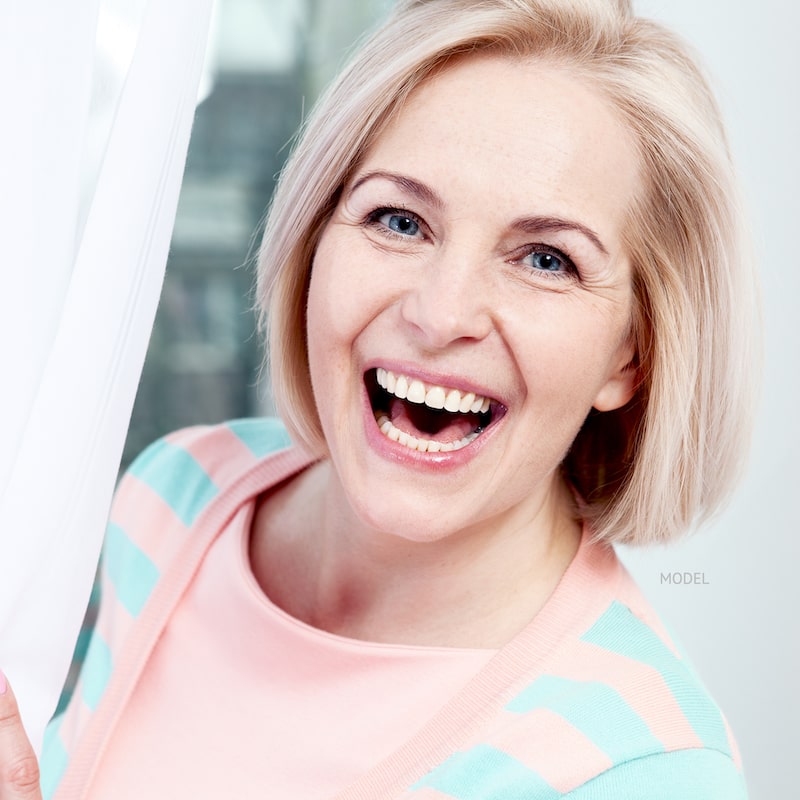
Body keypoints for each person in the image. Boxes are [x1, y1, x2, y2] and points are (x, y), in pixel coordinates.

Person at [0, 0, 758, 797]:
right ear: (315, 236)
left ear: (630, 355)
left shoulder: (640, 769)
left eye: (545, 259)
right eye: (398, 219)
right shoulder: (175, 494)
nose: (440, 314)